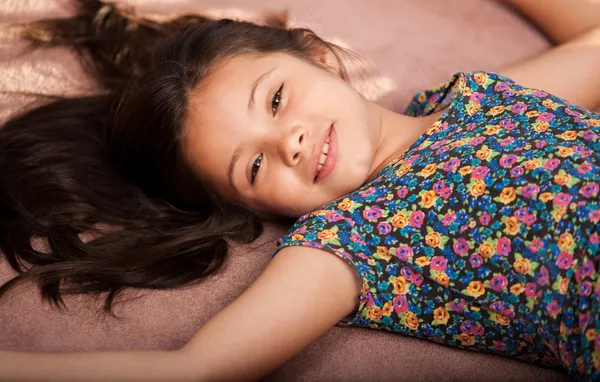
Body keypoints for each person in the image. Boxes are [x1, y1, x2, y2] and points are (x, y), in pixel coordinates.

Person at [0, 0, 599, 380]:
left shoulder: (478, 97)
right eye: (254, 168)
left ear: (317, 55)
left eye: (277, 99)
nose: (289, 142)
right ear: (252, 209)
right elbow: (200, 367)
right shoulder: (353, 237)